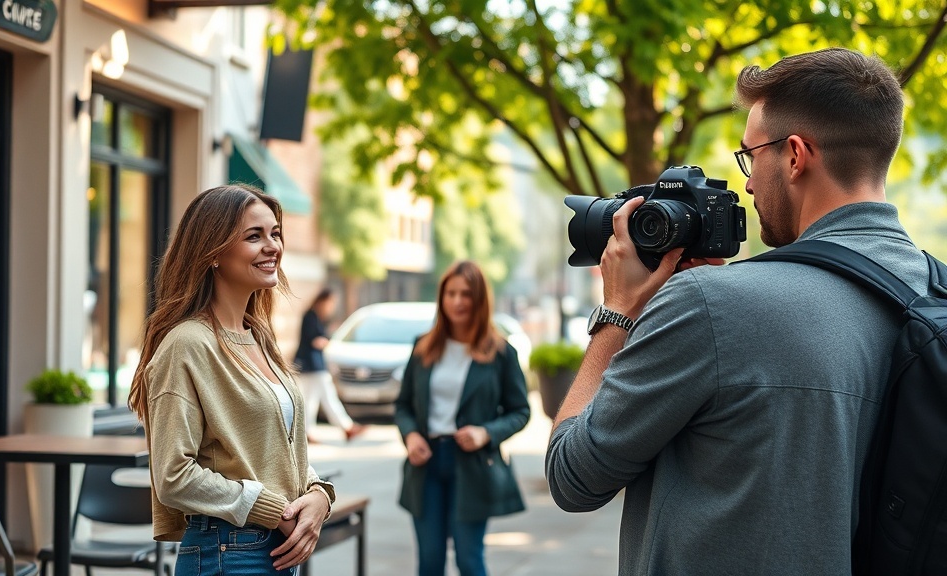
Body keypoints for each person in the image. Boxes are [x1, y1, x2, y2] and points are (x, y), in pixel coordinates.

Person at [545, 47, 931, 575]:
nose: (747, 184)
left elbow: (572, 476)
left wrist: (618, 313)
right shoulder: (934, 291)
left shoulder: (711, 306)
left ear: (795, 155)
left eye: (751, 157)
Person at [128, 184, 336, 575]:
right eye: (254, 236)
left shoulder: (258, 337)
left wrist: (319, 495)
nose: (272, 245)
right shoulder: (187, 344)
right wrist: (274, 510)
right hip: (228, 551)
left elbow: (271, 453)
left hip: (271, 549)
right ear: (213, 253)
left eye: (275, 233)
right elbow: (173, 476)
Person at [394, 260, 530, 576]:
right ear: (441, 298)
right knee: (429, 561)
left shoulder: (500, 353)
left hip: (472, 466)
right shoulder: (423, 346)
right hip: (426, 464)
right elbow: (402, 406)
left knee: (469, 560)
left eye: (466, 294)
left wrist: (486, 433)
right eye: (451, 293)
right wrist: (411, 435)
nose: (457, 301)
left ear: (479, 299)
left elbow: (521, 411)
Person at [293, 288, 367, 443]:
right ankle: (346, 427)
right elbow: (315, 340)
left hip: (313, 365)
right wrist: (327, 341)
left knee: (312, 400)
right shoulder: (311, 317)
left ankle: (309, 431)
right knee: (323, 398)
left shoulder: (315, 317)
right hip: (311, 365)